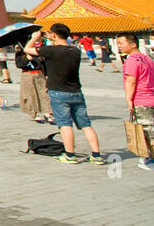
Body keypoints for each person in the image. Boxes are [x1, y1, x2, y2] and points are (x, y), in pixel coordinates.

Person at [25, 24, 103, 164]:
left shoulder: (51, 51)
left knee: (65, 124)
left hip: (58, 93)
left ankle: (70, 155)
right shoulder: (75, 51)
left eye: (50, 34)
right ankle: (97, 155)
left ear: (54, 35)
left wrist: (34, 38)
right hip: (76, 92)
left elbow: (27, 49)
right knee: (86, 124)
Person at [117, 33, 154, 171]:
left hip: (141, 99)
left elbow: (131, 81)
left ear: (133, 44)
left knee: (151, 133)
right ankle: (149, 157)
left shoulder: (132, 60)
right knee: (147, 131)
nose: (119, 46)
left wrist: (129, 99)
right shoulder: (147, 59)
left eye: (121, 43)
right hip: (152, 98)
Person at [15, 43, 54, 124]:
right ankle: (34, 114)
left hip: (40, 74)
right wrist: (27, 59)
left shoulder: (36, 52)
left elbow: (44, 64)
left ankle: (47, 113)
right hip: (28, 74)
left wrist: (46, 75)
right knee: (31, 94)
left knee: (44, 94)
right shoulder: (20, 54)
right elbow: (19, 65)